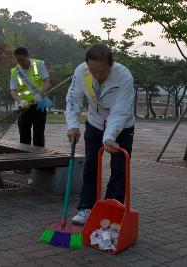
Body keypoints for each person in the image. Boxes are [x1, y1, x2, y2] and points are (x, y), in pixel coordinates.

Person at [65, 44, 135, 225]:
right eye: (92, 69)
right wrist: (73, 125)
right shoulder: (81, 71)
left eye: (101, 70)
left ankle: (113, 209)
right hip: (95, 122)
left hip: (122, 126)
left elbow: (119, 112)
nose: (97, 74)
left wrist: (109, 137)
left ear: (111, 64)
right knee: (91, 165)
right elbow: (73, 99)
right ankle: (86, 208)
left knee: (119, 168)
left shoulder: (124, 76)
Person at [10, 47, 51, 147]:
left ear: (28, 56)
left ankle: (38, 158)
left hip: (39, 105)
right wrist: (20, 101)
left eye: (22, 59)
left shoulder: (39, 64)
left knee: (39, 135)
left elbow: (47, 82)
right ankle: (25, 158)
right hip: (24, 107)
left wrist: (39, 93)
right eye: (17, 60)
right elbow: (13, 91)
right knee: (24, 136)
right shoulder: (15, 71)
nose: (20, 62)